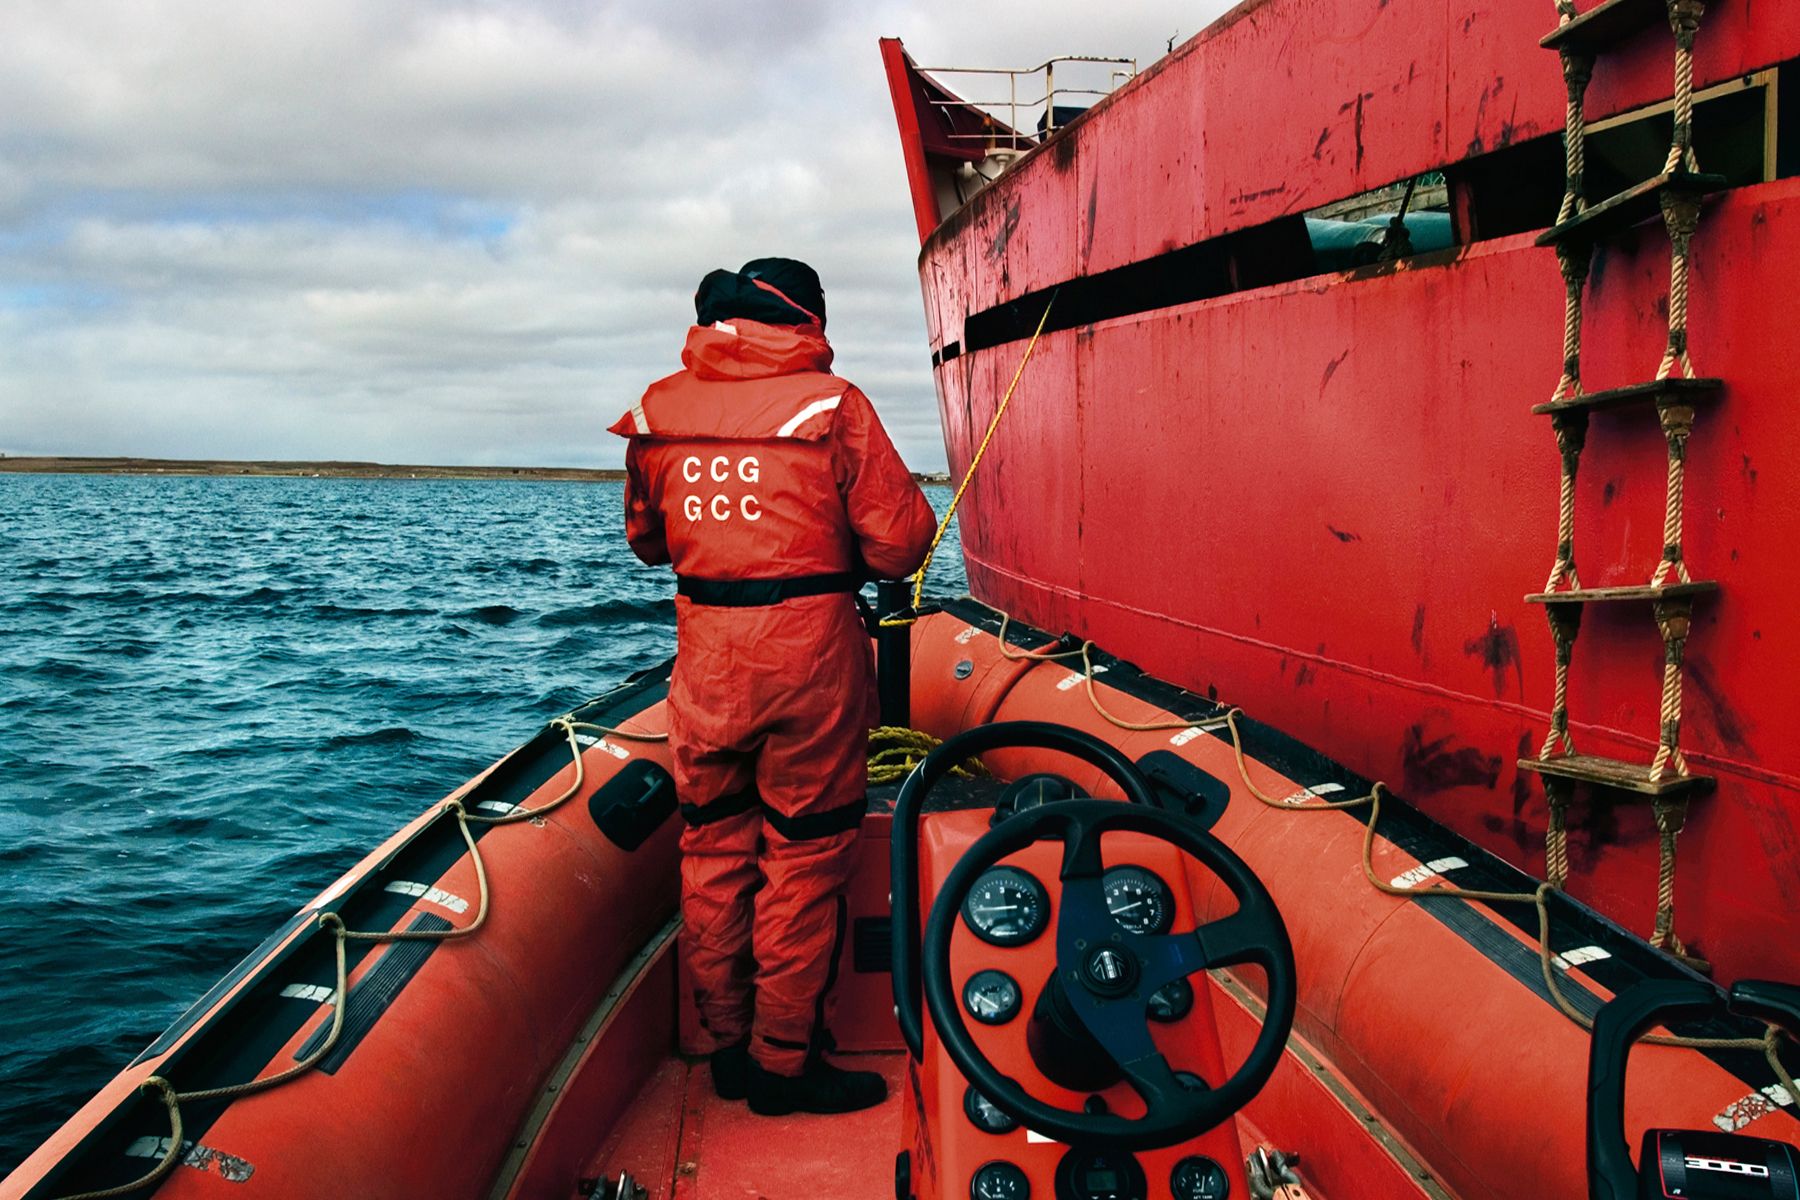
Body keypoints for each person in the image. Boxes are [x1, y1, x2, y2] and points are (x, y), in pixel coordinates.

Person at [610, 258, 935, 1116]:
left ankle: (724, 1049)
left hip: (707, 666)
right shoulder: (835, 406)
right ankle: (784, 1067)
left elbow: (647, 541)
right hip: (809, 665)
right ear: (807, 318)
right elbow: (901, 545)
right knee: (804, 857)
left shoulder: (659, 410)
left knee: (713, 851)